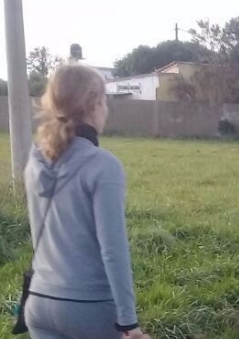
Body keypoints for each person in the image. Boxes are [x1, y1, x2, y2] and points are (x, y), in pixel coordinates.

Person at [24, 64, 150, 339]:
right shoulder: (103, 165)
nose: (106, 110)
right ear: (94, 103)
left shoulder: (35, 160)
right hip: (88, 307)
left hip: (39, 301)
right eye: (104, 102)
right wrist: (129, 322)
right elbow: (113, 249)